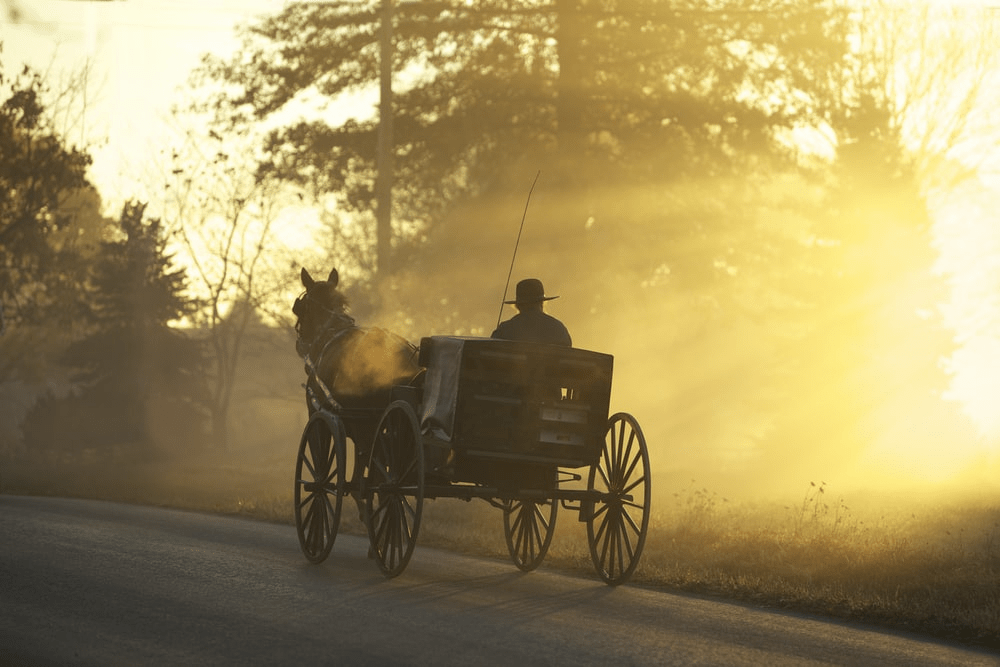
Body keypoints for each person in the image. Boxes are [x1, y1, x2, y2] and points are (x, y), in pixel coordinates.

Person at [491, 278, 572, 346]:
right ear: (542, 303)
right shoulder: (558, 328)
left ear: (518, 306)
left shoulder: (504, 330)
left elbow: (490, 351)